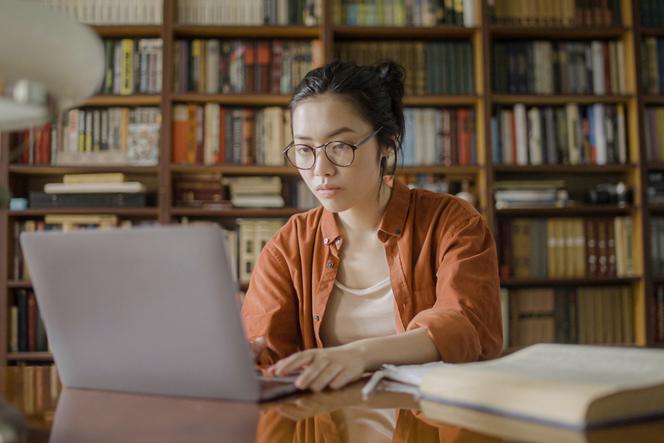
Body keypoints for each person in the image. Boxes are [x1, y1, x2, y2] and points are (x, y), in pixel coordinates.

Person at [241, 60, 502, 394]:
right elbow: (267, 354)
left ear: (387, 144)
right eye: (305, 149)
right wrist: (245, 358)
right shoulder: (288, 246)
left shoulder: (453, 223)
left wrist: (360, 354)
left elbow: (468, 327)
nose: (321, 170)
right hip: (323, 426)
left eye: (339, 146)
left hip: (427, 425)